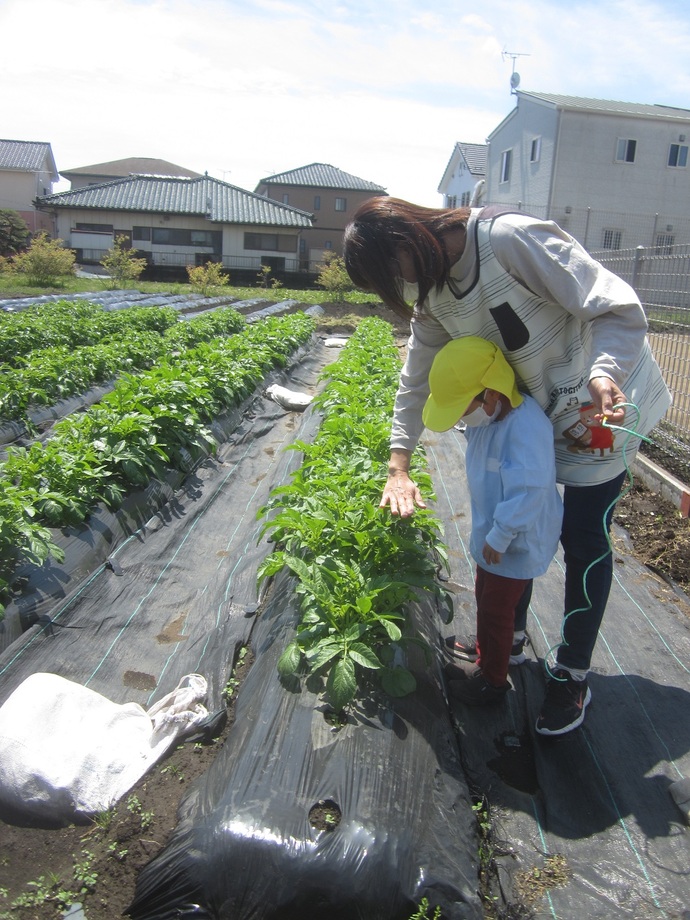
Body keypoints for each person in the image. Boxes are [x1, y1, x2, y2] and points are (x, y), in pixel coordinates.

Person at [343, 198, 672, 736]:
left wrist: (606, 371)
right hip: (537, 415)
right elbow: (416, 379)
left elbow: (614, 305)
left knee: (585, 534)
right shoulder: (430, 295)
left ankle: (572, 672)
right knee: (519, 511)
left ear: (408, 241)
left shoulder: (509, 240)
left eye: (394, 273)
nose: (401, 287)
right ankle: (511, 641)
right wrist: (397, 464)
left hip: (600, 404)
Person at [423, 337, 563, 707]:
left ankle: (493, 680)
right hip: (498, 534)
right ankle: (487, 652)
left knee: (496, 608)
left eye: (463, 407)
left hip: (515, 539)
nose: (460, 418)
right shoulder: (491, 419)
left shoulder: (525, 427)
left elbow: (529, 490)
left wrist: (500, 535)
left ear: (491, 394)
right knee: (486, 596)